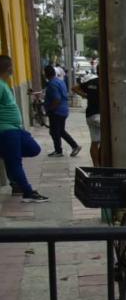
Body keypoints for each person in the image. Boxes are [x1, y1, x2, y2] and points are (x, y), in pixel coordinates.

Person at [0, 56, 47, 202]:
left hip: (14, 129)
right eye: (12, 66)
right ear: (8, 68)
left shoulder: (3, 83)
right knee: (14, 161)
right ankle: (27, 191)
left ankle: (16, 181)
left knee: (33, 149)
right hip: (6, 130)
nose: (13, 69)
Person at [42, 65, 80, 157]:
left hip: (56, 112)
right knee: (60, 131)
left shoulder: (52, 84)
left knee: (55, 132)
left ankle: (60, 150)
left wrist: (50, 109)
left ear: (46, 75)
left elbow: (57, 99)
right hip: (63, 110)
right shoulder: (60, 81)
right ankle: (72, 147)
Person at [73, 73, 102, 166]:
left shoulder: (91, 82)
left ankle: (96, 166)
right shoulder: (105, 83)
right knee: (105, 141)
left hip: (90, 115)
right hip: (99, 115)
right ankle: (103, 164)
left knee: (94, 142)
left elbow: (74, 88)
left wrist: (86, 96)